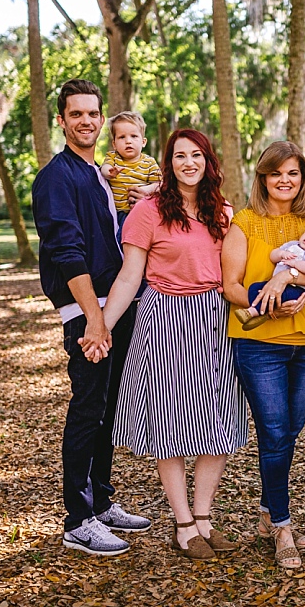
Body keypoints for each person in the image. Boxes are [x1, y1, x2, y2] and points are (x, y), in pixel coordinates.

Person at [98, 129, 247, 561]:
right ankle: (183, 524)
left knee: (219, 424)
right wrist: (103, 326)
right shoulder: (147, 211)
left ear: (208, 161)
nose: (188, 162)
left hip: (215, 321)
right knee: (172, 426)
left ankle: (204, 519)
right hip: (164, 319)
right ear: (168, 162)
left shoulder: (222, 212)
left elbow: (236, 272)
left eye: (196, 154)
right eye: (179, 155)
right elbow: (129, 276)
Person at [31, 79, 153, 557]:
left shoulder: (100, 174)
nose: (85, 120)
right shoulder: (56, 177)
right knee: (87, 408)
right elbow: (67, 252)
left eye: (92, 113)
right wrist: (94, 320)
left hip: (114, 307)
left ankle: (101, 502)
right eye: (75, 113)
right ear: (61, 120)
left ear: (101, 119)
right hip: (89, 311)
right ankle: (78, 519)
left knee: (106, 408)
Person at [220, 141, 305, 569]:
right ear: (263, 178)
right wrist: (264, 296)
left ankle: (268, 514)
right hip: (258, 345)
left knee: (288, 433)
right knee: (273, 433)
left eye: (292, 173)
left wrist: (282, 277)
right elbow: (229, 285)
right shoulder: (244, 223)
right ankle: (283, 526)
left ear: (303, 177)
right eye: (275, 173)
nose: (284, 180)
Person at [232, 219, 305, 331]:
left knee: (277, 297)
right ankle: (260, 315)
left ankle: (251, 312)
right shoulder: (293, 245)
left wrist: (295, 264)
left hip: (295, 289)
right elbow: (272, 256)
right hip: (273, 285)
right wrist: (282, 254)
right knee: (254, 288)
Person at [100, 111, 161, 228]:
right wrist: (109, 172)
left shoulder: (149, 162)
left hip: (140, 211)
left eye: (134, 136)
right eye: (122, 137)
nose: (128, 141)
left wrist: (145, 189)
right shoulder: (113, 158)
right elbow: (104, 168)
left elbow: (159, 184)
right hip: (116, 214)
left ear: (143, 142)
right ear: (114, 144)